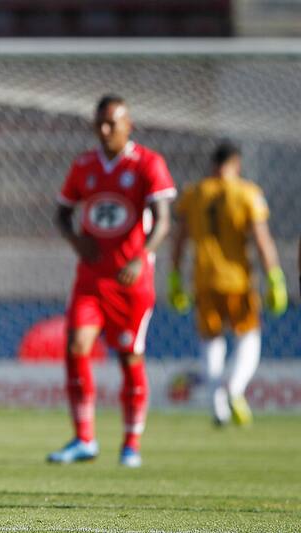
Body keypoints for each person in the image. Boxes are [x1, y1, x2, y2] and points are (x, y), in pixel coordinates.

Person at [49, 94, 175, 468]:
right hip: (91, 279)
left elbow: (163, 218)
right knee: (75, 345)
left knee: (129, 357)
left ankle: (131, 444)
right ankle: (84, 439)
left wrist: (140, 258)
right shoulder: (84, 165)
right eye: (99, 124)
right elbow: (61, 214)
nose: (104, 131)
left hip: (131, 282)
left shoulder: (148, 163)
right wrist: (76, 241)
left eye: (112, 124)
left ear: (128, 125)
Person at [169, 141, 287, 426]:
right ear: (237, 164)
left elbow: (180, 238)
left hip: (204, 279)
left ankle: (217, 407)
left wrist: (174, 277)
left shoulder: (194, 194)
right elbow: (261, 239)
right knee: (249, 335)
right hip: (239, 280)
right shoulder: (248, 193)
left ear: (212, 164)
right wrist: (275, 277)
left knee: (211, 340)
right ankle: (234, 389)